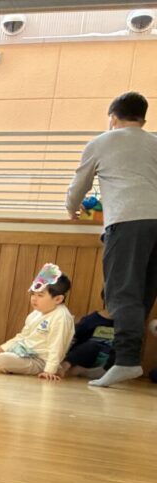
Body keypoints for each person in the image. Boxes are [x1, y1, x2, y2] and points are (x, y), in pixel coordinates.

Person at [66, 91, 157, 388]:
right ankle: (118, 362)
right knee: (143, 295)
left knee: (122, 294)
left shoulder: (102, 142)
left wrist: (71, 208)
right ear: (143, 119)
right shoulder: (155, 142)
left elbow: (79, 185)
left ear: (113, 117)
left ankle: (127, 361)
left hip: (128, 222)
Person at [0, 265, 75, 381]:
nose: (34, 298)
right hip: (24, 353)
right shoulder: (36, 313)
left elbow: (57, 346)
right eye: (33, 294)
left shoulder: (61, 317)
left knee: (3, 360)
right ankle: (3, 363)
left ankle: (4, 364)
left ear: (58, 299)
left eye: (40, 295)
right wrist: (0, 349)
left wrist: (49, 370)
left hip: (41, 361)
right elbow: (22, 336)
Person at [59, 290, 115, 379]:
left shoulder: (124, 324)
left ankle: (87, 371)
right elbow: (74, 336)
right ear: (106, 300)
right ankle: (65, 365)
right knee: (91, 346)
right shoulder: (92, 319)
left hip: (108, 358)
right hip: (89, 355)